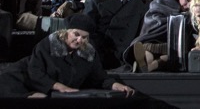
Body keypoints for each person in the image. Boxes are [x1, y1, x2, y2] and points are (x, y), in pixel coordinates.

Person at [0, 14, 135, 98]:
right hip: (19, 80)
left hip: (49, 92)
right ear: (66, 32)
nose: (79, 40)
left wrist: (115, 85)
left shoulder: (88, 53)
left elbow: (99, 77)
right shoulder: (48, 45)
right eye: (76, 34)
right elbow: (34, 72)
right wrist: (60, 87)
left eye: (84, 37)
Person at [82, 0, 151, 68]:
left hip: (127, 56)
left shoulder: (142, 2)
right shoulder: (97, 0)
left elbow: (144, 33)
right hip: (101, 55)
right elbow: (86, 28)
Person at [129, 0, 200, 72]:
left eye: (193, 4)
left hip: (177, 47)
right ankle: (150, 62)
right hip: (154, 40)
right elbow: (152, 22)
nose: (188, 5)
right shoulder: (162, 1)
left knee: (173, 53)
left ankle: (149, 65)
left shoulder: (194, 14)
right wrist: (178, 21)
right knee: (148, 53)